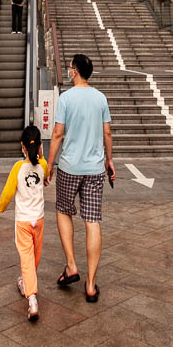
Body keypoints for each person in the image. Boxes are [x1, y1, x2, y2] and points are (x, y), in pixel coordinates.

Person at [46, 53, 114, 304]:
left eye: (70, 68)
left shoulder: (66, 98)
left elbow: (57, 134)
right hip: (95, 169)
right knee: (92, 220)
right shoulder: (100, 98)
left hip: (69, 167)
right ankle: (91, 285)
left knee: (64, 211)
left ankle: (72, 265)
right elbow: (107, 132)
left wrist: (50, 164)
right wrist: (109, 160)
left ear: (75, 71)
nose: (68, 70)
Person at [0, 124, 49, 321]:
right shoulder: (42, 166)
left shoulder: (18, 168)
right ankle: (26, 282)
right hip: (39, 219)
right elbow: (44, 170)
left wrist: (1, 207)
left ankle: (32, 298)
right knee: (35, 256)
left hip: (23, 221)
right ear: (40, 145)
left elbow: (8, 191)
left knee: (26, 257)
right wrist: (41, 154)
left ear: (22, 146)